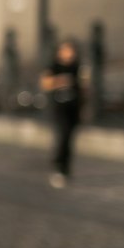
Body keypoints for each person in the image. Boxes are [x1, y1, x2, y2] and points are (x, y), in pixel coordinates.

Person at [40, 37, 82, 187]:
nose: (69, 54)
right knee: (62, 136)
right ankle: (58, 167)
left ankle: (66, 169)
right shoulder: (54, 66)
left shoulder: (77, 67)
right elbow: (45, 83)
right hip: (59, 109)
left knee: (69, 139)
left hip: (74, 108)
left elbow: (84, 88)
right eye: (66, 50)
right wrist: (62, 81)